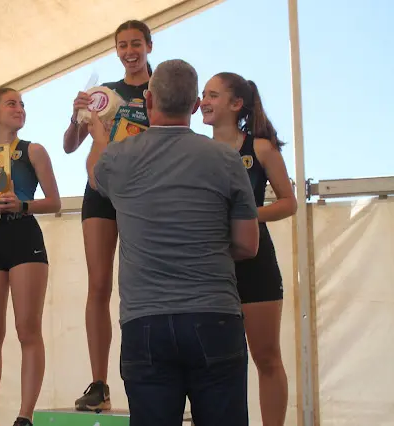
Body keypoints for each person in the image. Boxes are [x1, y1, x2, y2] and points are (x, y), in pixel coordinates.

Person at [86, 59, 260, 426]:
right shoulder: (227, 158)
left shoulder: (117, 157)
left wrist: (99, 135)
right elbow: (248, 244)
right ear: (195, 106)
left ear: (149, 100)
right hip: (215, 316)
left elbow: (95, 175)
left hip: (144, 321)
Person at [62, 19, 153, 412]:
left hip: (143, 193)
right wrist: (76, 116)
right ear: (116, 50)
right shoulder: (105, 93)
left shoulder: (159, 91)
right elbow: (70, 146)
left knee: (145, 283)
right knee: (98, 285)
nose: (129, 51)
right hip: (100, 191)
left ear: (149, 46)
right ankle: (99, 384)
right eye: (122, 45)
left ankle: (154, 375)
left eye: (136, 44)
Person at [201, 72, 297, 426]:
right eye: (202, 94)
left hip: (255, 262)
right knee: (212, 361)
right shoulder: (197, 149)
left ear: (236, 103)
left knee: (266, 357)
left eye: (212, 95)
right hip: (211, 265)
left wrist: (247, 215)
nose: (204, 101)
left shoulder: (260, 148)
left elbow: (288, 202)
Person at [0, 87, 61, 426]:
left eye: (22, 104)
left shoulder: (33, 150)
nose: (20, 109)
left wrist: (21, 204)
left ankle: (25, 415)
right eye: (12, 104)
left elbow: (54, 202)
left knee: (27, 328)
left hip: (23, 236)